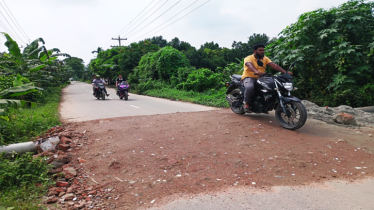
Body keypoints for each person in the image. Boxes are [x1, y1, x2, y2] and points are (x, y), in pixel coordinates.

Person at [241, 43, 290, 113]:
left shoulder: (265, 59)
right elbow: (249, 65)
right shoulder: (248, 58)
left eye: (263, 50)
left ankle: (266, 103)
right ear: (255, 51)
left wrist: (285, 72)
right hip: (249, 77)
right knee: (250, 87)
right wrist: (256, 71)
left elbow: (274, 65)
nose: (262, 52)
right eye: (260, 50)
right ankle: (246, 103)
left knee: (272, 86)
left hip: (261, 78)